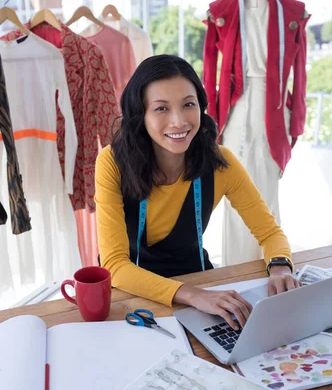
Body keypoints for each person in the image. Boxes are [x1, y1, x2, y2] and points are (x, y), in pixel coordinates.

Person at [95, 55, 299, 330]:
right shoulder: (112, 162)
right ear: (139, 114)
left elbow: (269, 232)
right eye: (161, 109)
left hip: (199, 281)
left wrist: (280, 267)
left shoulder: (219, 162)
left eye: (188, 105)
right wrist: (193, 296)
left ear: (201, 107)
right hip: (134, 291)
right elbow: (115, 266)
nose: (178, 121)